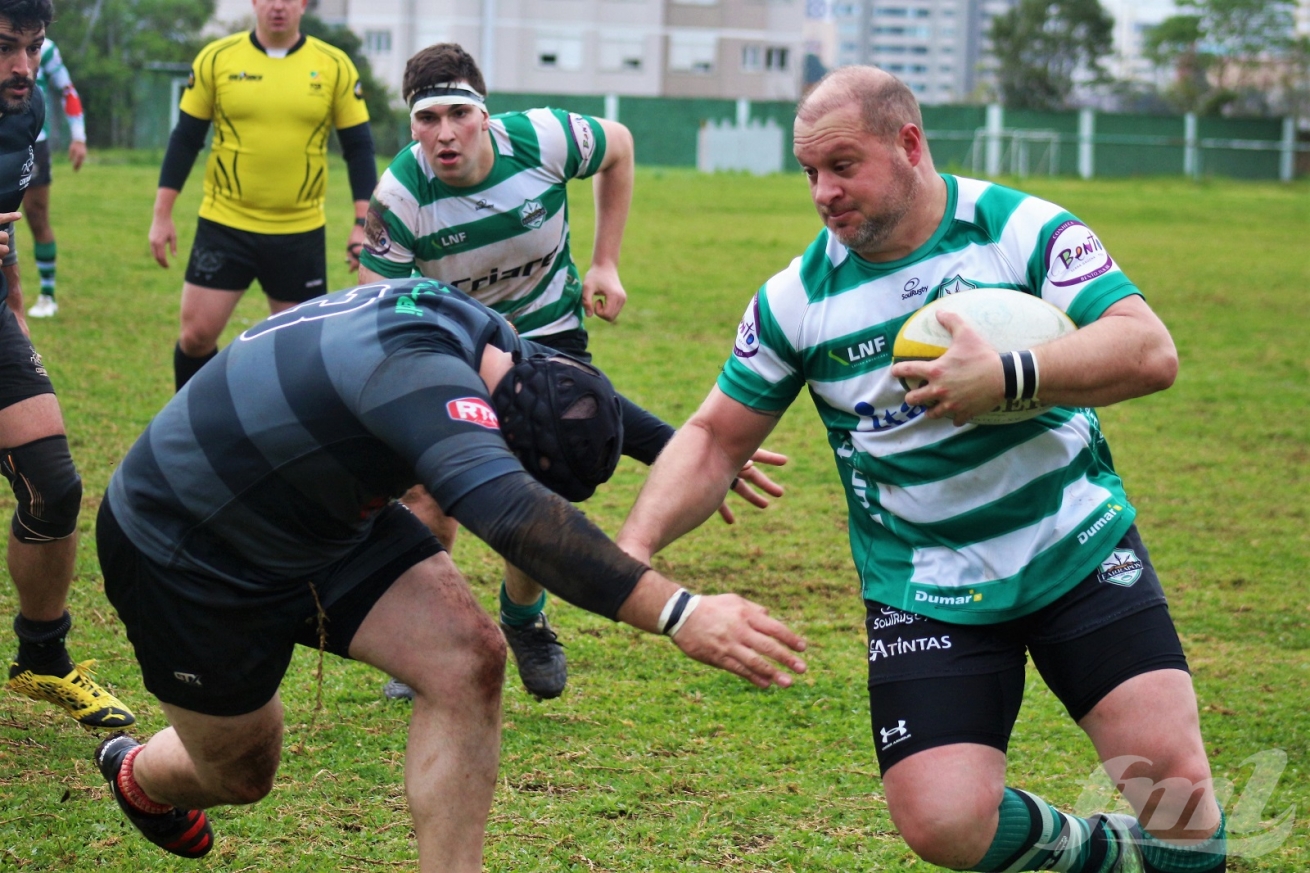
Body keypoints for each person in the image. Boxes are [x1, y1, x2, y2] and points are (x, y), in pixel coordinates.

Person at [616, 67, 1227, 873]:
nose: (823, 193)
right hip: (925, 580)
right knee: (943, 822)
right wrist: (630, 551)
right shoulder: (798, 300)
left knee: (1179, 809)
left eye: (842, 166)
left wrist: (1010, 375)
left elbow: (1150, 350)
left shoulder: (1019, 229)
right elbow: (715, 438)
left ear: (908, 145)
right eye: (809, 174)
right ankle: (1105, 853)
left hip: (1073, 546)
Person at [92, 277, 807, 867]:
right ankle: (137, 775)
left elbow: (581, 399)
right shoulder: (413, 374)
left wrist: (688, 447)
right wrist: (680, 612)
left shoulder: (490, 342)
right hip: (189, 549)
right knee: (240, 773)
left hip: (325, 519)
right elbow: (515, 514)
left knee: (468, 659)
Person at [358, 42, 781, 701]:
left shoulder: (542, 138)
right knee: (428, 498)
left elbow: (619, 146)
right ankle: (424, 634)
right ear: (411, 123)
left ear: (484, 112)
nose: (445, 133)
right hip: (452, 346)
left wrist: (604, 261)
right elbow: (377, 315)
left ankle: (523, 617)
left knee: (536, 481)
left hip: (548, 335)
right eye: (427, 118)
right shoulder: (396, 201)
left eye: (459, 114)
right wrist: (694, 448)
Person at [0, 0, 133, 729]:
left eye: (32, 47)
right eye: (4, 48)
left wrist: (15, 306)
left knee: (53, 487)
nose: (22, 67)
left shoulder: (25, 112)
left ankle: (42, 660)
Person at [148, 0, 376, 392]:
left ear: (304, 4)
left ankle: (287, 444)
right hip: (225, 225)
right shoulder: (216, 59)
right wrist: (162, 214)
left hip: (298, 232)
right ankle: (193, 432)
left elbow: (358, 148)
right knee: (196, 337)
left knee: (301, 352)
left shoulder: (335, 65)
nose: (277, 6)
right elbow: (186, 139)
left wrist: (362, 224)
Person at [22, 35, 85, 319]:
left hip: (33, 143)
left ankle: (47, 295)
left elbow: (68, 91)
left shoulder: (45, 50)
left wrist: (79, 137)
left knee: (36, 216)